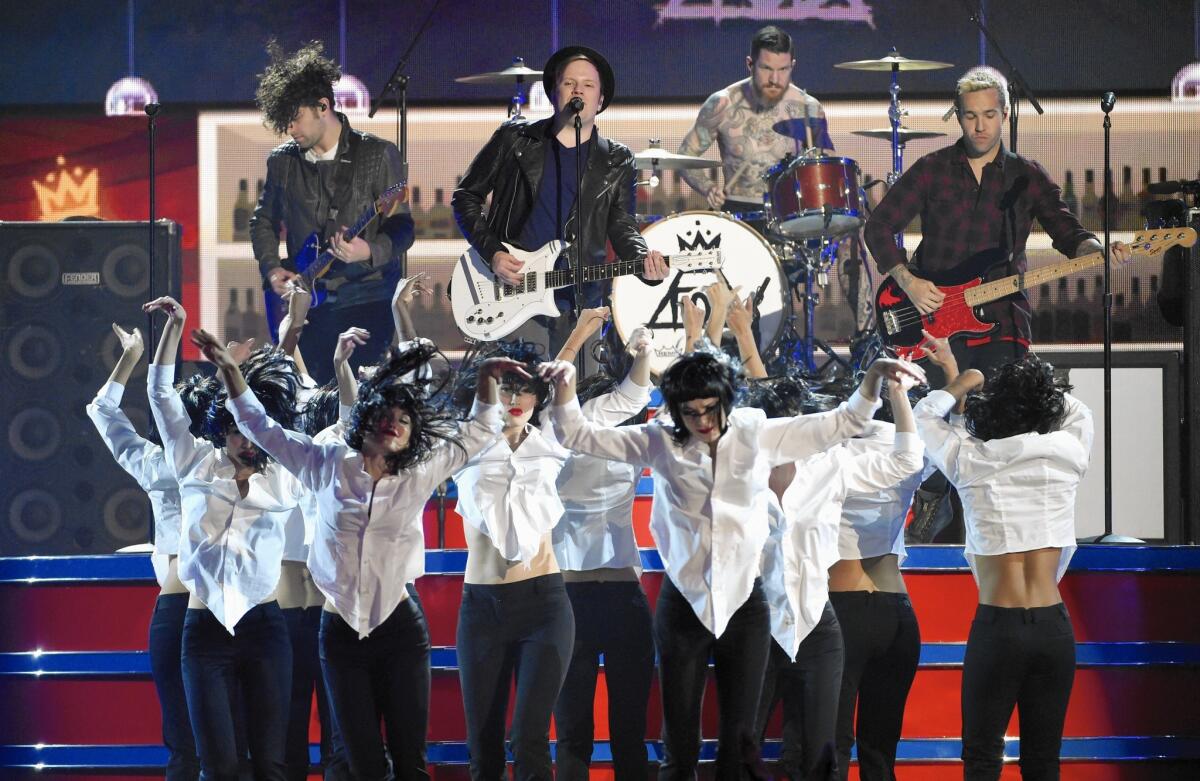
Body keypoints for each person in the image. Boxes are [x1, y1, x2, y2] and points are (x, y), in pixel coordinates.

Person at [543, 349, 923, 780]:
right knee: (680, 741)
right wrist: (566, 385)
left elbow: (843, 423)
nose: (702, 421)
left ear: (726, 402)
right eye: (690, 412)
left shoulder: (756, 434)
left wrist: (873, 380)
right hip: (684, 602)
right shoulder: (659, 439)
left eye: (710, 410)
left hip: (747, 602)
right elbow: (576, 434)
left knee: (740, 739)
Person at [200, 329, 517, 781]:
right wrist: (230, 372)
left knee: (410, 764)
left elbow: (481, 430)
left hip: (401, 628)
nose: (394, 422)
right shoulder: (325, 462)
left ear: (412, 437)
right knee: (364, 765)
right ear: (365, 419)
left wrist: (487, 378)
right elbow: (260, 427)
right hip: (340, 633)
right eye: (386, 414)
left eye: (404, 420)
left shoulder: (420, 473)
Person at [862, 65, 1128, 542]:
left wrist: (1097, 253)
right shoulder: (932, 170)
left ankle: (1001, 533)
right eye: (969, 116)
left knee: (1001, 423)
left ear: (1005, 114)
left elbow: (1068, 232)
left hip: (1001, 320)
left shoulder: (1025, 177)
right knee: (937, 418)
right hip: (934, 318)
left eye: (989, 115)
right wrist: (907, 279)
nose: (980, 126)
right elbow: (878, 226)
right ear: (957, 117)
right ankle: (932, 500)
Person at [451, 310, 652, 781]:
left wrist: (634, 352)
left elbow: (618, 400)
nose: (514, 399)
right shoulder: (463, 446)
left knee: (531, 740)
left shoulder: (553, 442)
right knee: (484, 748)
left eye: (522, 391)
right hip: (482, 605)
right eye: (504, 389)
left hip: (547, 600)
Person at [914, 341, 1092, 781]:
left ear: (993, 413)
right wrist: (1027, 387)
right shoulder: (1068, 455)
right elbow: (1075, 410)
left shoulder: (972, 461)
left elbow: (923, 418)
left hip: (1000, 628)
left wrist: (964, 380)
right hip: (1054, 629)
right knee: (1043, 761)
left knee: (981, 758)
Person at [145, 296, 304, 781]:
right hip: (203, 629)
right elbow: (160, 397)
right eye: (233, 429)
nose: (244, 439)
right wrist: (176, 327)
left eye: (250, 428)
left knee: (270, 764)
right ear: (220, 429)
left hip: (265, 628)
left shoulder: (286, 475)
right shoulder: (194, 462)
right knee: (219, 766)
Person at [452, 44, 666, 365]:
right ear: (554, 93)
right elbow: (466, 197)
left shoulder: (617, 159)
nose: (578, 90)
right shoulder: (516, 140)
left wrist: (644, 263)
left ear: (601, 99)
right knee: (524, 398)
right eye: (569, 83)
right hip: (516, 290)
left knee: (578, 403)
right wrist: (493, 252)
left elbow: (622, 225)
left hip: (582, 299)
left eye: (588, 85)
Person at [86, 324, 218, 781]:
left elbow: (103, 410)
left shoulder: (170, 462)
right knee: (208, 741)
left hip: (207, 604)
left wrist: (131, 357)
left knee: (190, 740)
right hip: (198, 604)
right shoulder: (208, 462)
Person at [250, 40, 414, 385]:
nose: (290, 130)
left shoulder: (378, 155)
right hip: (307, 303)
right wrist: (271, 268)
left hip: (367, 298)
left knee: (357, 397)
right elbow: (263, 220)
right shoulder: (282, 161)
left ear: (323, 106)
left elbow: (402, 226)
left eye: (295, 119)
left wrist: (369, 250)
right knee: (311, 396)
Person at [550, 327, 656, 781]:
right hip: (620, 595)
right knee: (628, 733)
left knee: (573, 735)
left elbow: (627, 393)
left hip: (568, 596)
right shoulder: (632, 442)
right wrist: (648, 350)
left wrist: (575, 339)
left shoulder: (554, 437)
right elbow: (639, 390)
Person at [827, 391, 933, 781]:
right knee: (880, 753)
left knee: (832, 745)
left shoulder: (828, 454)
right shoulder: (913, 452)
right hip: (898, 613)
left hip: (843, 609)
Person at [678, 25, 833, 216]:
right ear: (750, 64)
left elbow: (827, 169)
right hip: (737, 212)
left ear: (793, 65)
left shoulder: (808, 108)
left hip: (790, 214)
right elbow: (684, 157)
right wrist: (709, 188)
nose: (775, 78)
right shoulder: (722, 104)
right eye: (766, 68)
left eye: (783, 69)